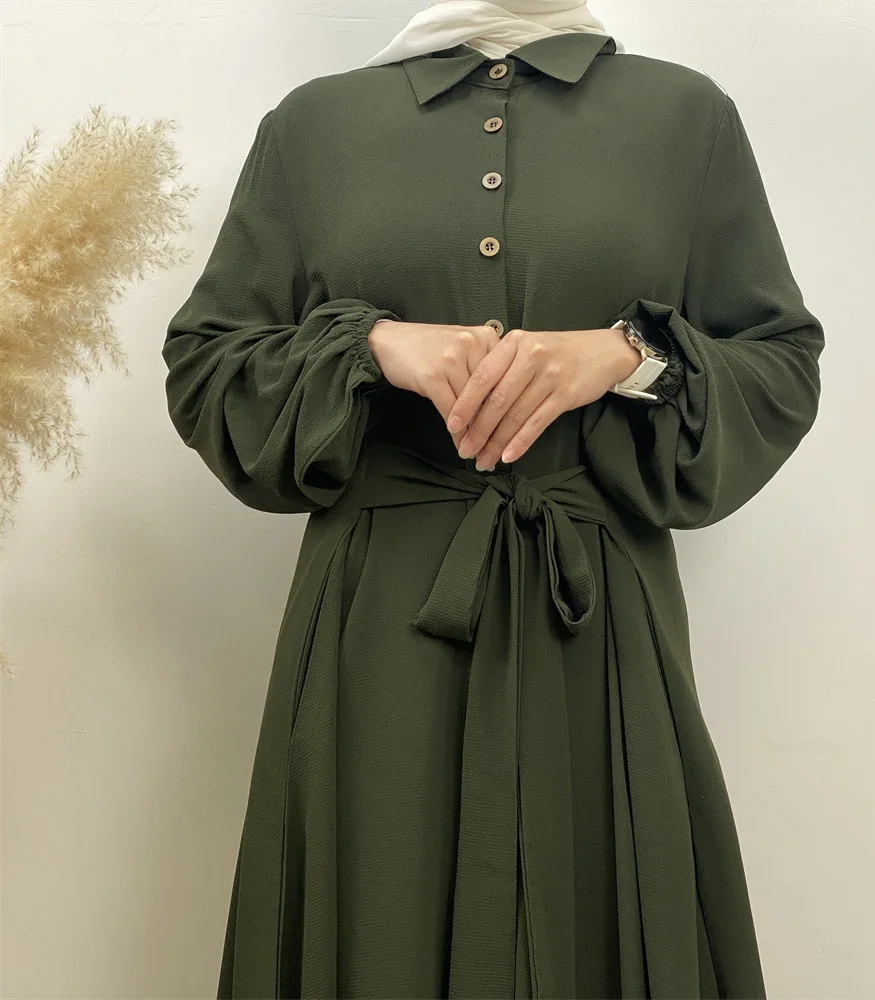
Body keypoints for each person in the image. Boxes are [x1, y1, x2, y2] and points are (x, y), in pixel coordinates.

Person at [161, 1, 824, 997]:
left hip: (595, 613)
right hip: (376, 623)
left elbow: (777, 365)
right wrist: (371, 344)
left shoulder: (685, 117)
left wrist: (625, 355)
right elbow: (209, 367)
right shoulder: (313, 126)